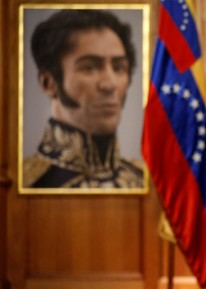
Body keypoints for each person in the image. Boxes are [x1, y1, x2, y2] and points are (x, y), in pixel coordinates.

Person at [23, 9, 143, 188]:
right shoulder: (24, 184)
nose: (109, 85)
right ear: (49, 83)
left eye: (119, 68)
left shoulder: (144, 181)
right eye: (89, 67)